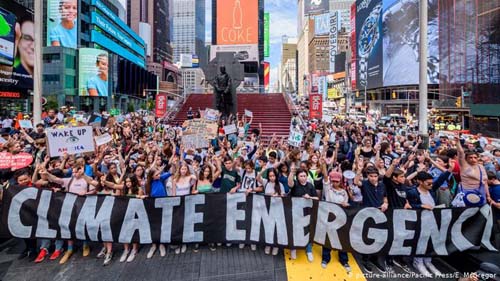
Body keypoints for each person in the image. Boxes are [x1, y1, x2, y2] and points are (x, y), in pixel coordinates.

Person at [320, 170, 351, 273]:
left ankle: (344, 260)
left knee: (342, 239)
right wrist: (323, 164)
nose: (334, 183)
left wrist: (345, 204)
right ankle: (325, 258)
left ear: (340, 181)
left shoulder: (344, 192)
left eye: (336, 181)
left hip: (341, 219)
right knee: (328, 239)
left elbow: (347, 204)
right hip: (329, 218)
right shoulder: (328, 190)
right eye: (332, 181)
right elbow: (325, 178)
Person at [288, 165, 318, 262]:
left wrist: (310, 197)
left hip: (307, 214)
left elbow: (317, 198)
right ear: (297, 177)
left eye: (304, 176)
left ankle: (308, 250)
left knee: (307, 232)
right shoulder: (295, 184)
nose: (303, 178)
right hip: (295, 213)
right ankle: (293, 248)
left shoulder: (310, 186)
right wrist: (292, 172)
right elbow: (290, 183)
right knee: (295, 231)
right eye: (301, 176)